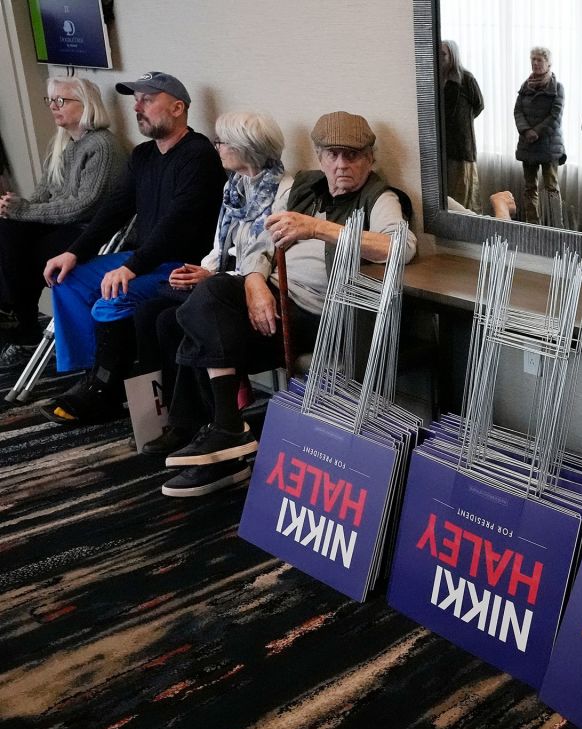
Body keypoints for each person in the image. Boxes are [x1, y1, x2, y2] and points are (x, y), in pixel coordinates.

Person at [157, 111, 416, 498]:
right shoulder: (305, 187)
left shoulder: (379, 196)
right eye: (332, 155)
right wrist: (256, 282)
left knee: (202, 313)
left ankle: (224, 437)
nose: (342, 165)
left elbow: (399, 248)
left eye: (353, 155)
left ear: (370, 159)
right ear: (319, 156)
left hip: (314, 316)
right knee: (190, 311)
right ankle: (221, 436)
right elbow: (264, 241)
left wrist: (316, 228)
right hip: (273, 300)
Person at [39, 71, 225, 426]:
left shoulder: (198, 155)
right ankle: (95, 375)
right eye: (135, 100)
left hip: (180, 264)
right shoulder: (142, 155)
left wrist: (132, 267)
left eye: (147, 100)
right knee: (68, 278)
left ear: (177, 107)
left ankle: (104, 389)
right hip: (146, 259)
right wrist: (75, 252)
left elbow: (177, 223)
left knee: (113, 295)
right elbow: (114, 209)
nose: (137, 107)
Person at [132, 111, 288, 460]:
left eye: (222, 142)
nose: (216, 146)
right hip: (227, 282)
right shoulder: (235, 185)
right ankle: (188, 421)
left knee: (178, 318)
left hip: (258, 289)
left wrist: (215, 278)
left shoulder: (283, 191)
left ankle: (215, 424)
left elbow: (264, 258)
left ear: (246, 147)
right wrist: (202, 270)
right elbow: (223, 246)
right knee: (154, 313)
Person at [0, 77, 124, 363]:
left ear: (87, 105)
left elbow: (83, 206)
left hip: (90, 231)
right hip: (61, 225)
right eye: (51, 101)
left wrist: (22, 211)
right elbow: (42, 196)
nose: (54, 107)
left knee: (26, 255)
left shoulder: (101, 146)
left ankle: (18, 321)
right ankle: (16, 316)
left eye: (62, 100)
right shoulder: (63, 144)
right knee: (7, 231)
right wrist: (16, 207)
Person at [514, 47, 565, 225]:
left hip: (548, 145)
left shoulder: (557, 86)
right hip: (528, 144)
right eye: (533, 60)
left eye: (539, 60)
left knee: (551, 187)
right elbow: (518, 110)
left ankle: (557, 226)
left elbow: (555, 115)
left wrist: (537, 131)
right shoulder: (525, 85)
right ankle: (532, 224)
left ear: (548, 63)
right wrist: (526, 130)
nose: (535, 63)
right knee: (530, 188)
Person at [440, 40, 484, 213]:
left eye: (443, 54)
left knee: (464, 191)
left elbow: (479, 105)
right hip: (445, 144)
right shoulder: (438, 78)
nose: (440, 58)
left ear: (452, 56)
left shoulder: (466, 78)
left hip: (462, 144)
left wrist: (463, 120)